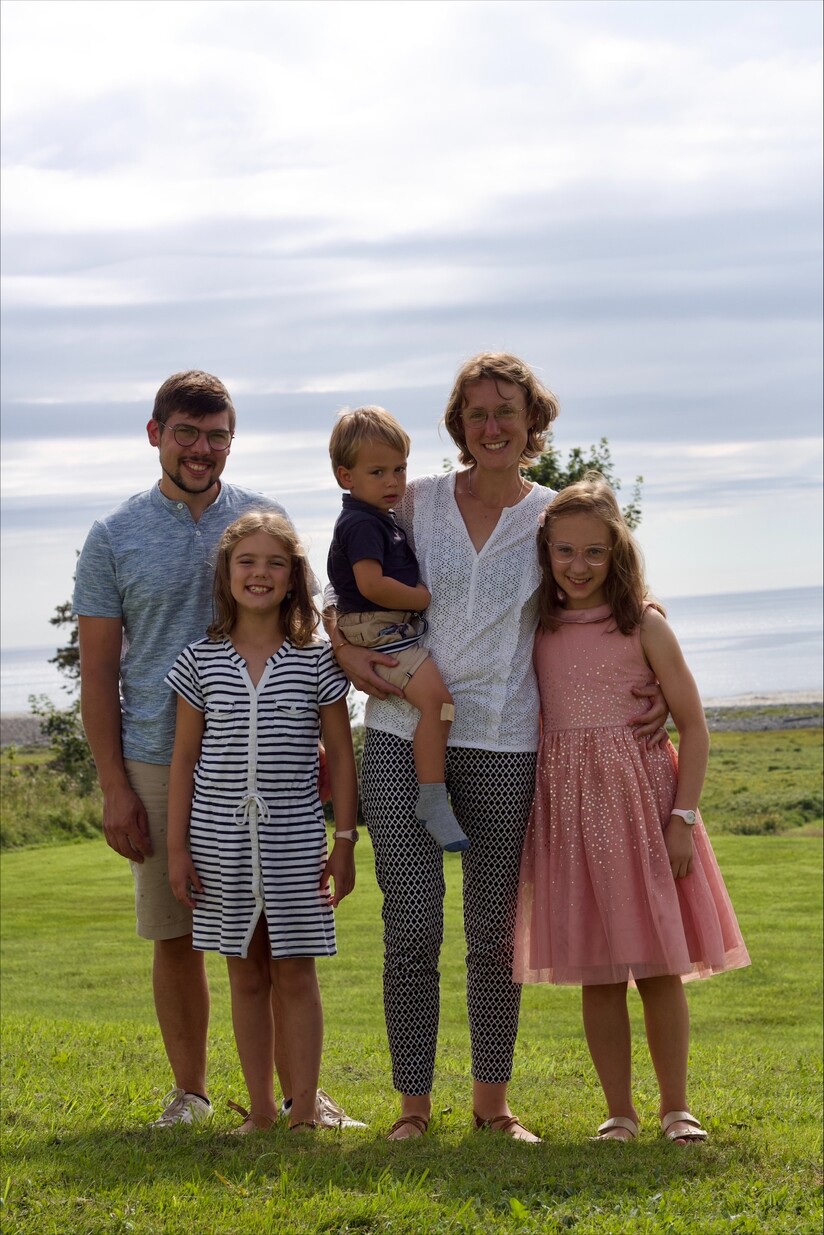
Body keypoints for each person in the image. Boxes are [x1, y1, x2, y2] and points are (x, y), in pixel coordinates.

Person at [327, 353, 670, 1142]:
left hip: (506, 743)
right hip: (399, 735)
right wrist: (346, 655)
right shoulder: (409, 500)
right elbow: (342, 588)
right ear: (458, 425)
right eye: (476, 413)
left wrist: (649, 670)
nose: (491, 426)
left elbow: (617, 583)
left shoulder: (553, 513)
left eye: (506, 412)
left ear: (531, 423)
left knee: (491, 934)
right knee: (411, 927)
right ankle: (413, 1107)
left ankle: (492, 1105)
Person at [73, 370, 362, 1129]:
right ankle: (193, 1093)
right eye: (187, 435)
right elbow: (98, 670)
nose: (202, 449)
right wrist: (114, 785)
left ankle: (298, 1097)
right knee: (180, 932)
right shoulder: (112, 536)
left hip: (277, 767)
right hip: (160, 757)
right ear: (155, 434)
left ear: (231, 439)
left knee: (281, 945)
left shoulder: (261, 520)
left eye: (217, 436)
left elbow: (313, 625)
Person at [513, 475, 751, 1145]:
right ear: (546, 552)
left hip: (645, 813)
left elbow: (694, 727)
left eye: (594, 551)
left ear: (617, 550)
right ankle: (619, 1111)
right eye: (564, 551)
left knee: (656, 965)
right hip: (569, 816)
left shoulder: (643, 624)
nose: (579, 565)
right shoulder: (535, 627)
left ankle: (678, 1107)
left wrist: (683, 818)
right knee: (598, 968)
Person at [166, 512, 358, 1133]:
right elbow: (182, 764)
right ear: (226, 574)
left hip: (295, 841)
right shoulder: (200, 660)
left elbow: (340, 756)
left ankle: (304, 1110)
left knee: (295, 972)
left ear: (294, 577)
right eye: (247, 560)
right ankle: (262, 1114)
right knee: (245, 974)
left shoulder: (316, 660)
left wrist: (345, 840)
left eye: (275, 562)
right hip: (217, 843)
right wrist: (177, 850)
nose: (260, 573)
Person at [327, 406, 468, 852]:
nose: (393, 482)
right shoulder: (363, 524)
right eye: (378, 471)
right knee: (440, 703)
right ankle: (432, 797)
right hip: (381, 632)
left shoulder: (376, 518)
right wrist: (423, 598)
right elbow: (371, 584)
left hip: (386, 629)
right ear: (345, 476)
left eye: (399, 468)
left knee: (439, 704)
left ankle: (433, 794)